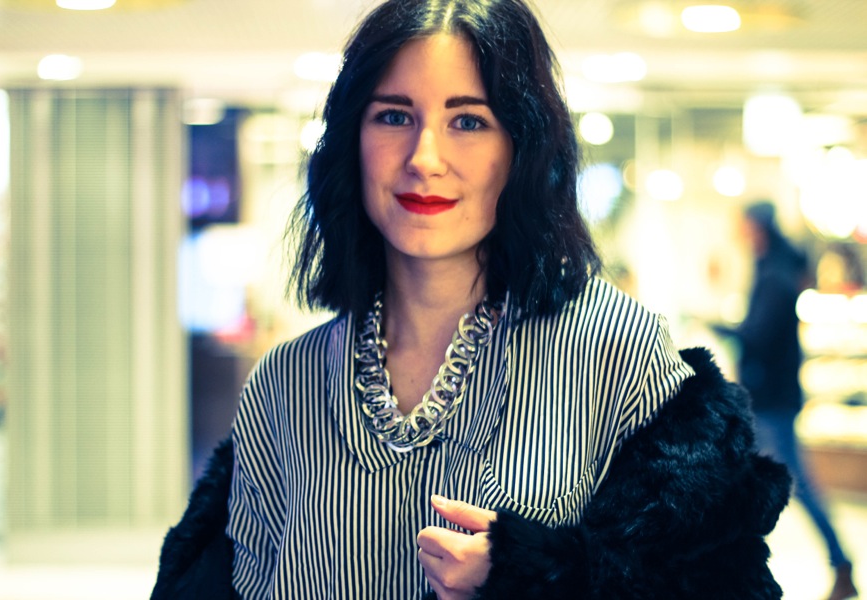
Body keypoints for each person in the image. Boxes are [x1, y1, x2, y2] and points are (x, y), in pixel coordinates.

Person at [151, 1, 791, 598]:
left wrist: (536, 577)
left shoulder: (614, 350)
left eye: (468, 121)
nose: (425, 158)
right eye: (394, 116)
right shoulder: (284, 384)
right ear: (352, 141)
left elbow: (720, 581)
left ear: (520, 148)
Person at [714, 201, 858, 600]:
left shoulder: (775, 275)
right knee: (749, 485)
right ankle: (738, 573)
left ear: (756, 228)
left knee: (792, 484)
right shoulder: (772, 269)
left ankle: (841, 562)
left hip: (771, 401)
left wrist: (720, 326)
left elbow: (758, 337)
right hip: (767, 399)